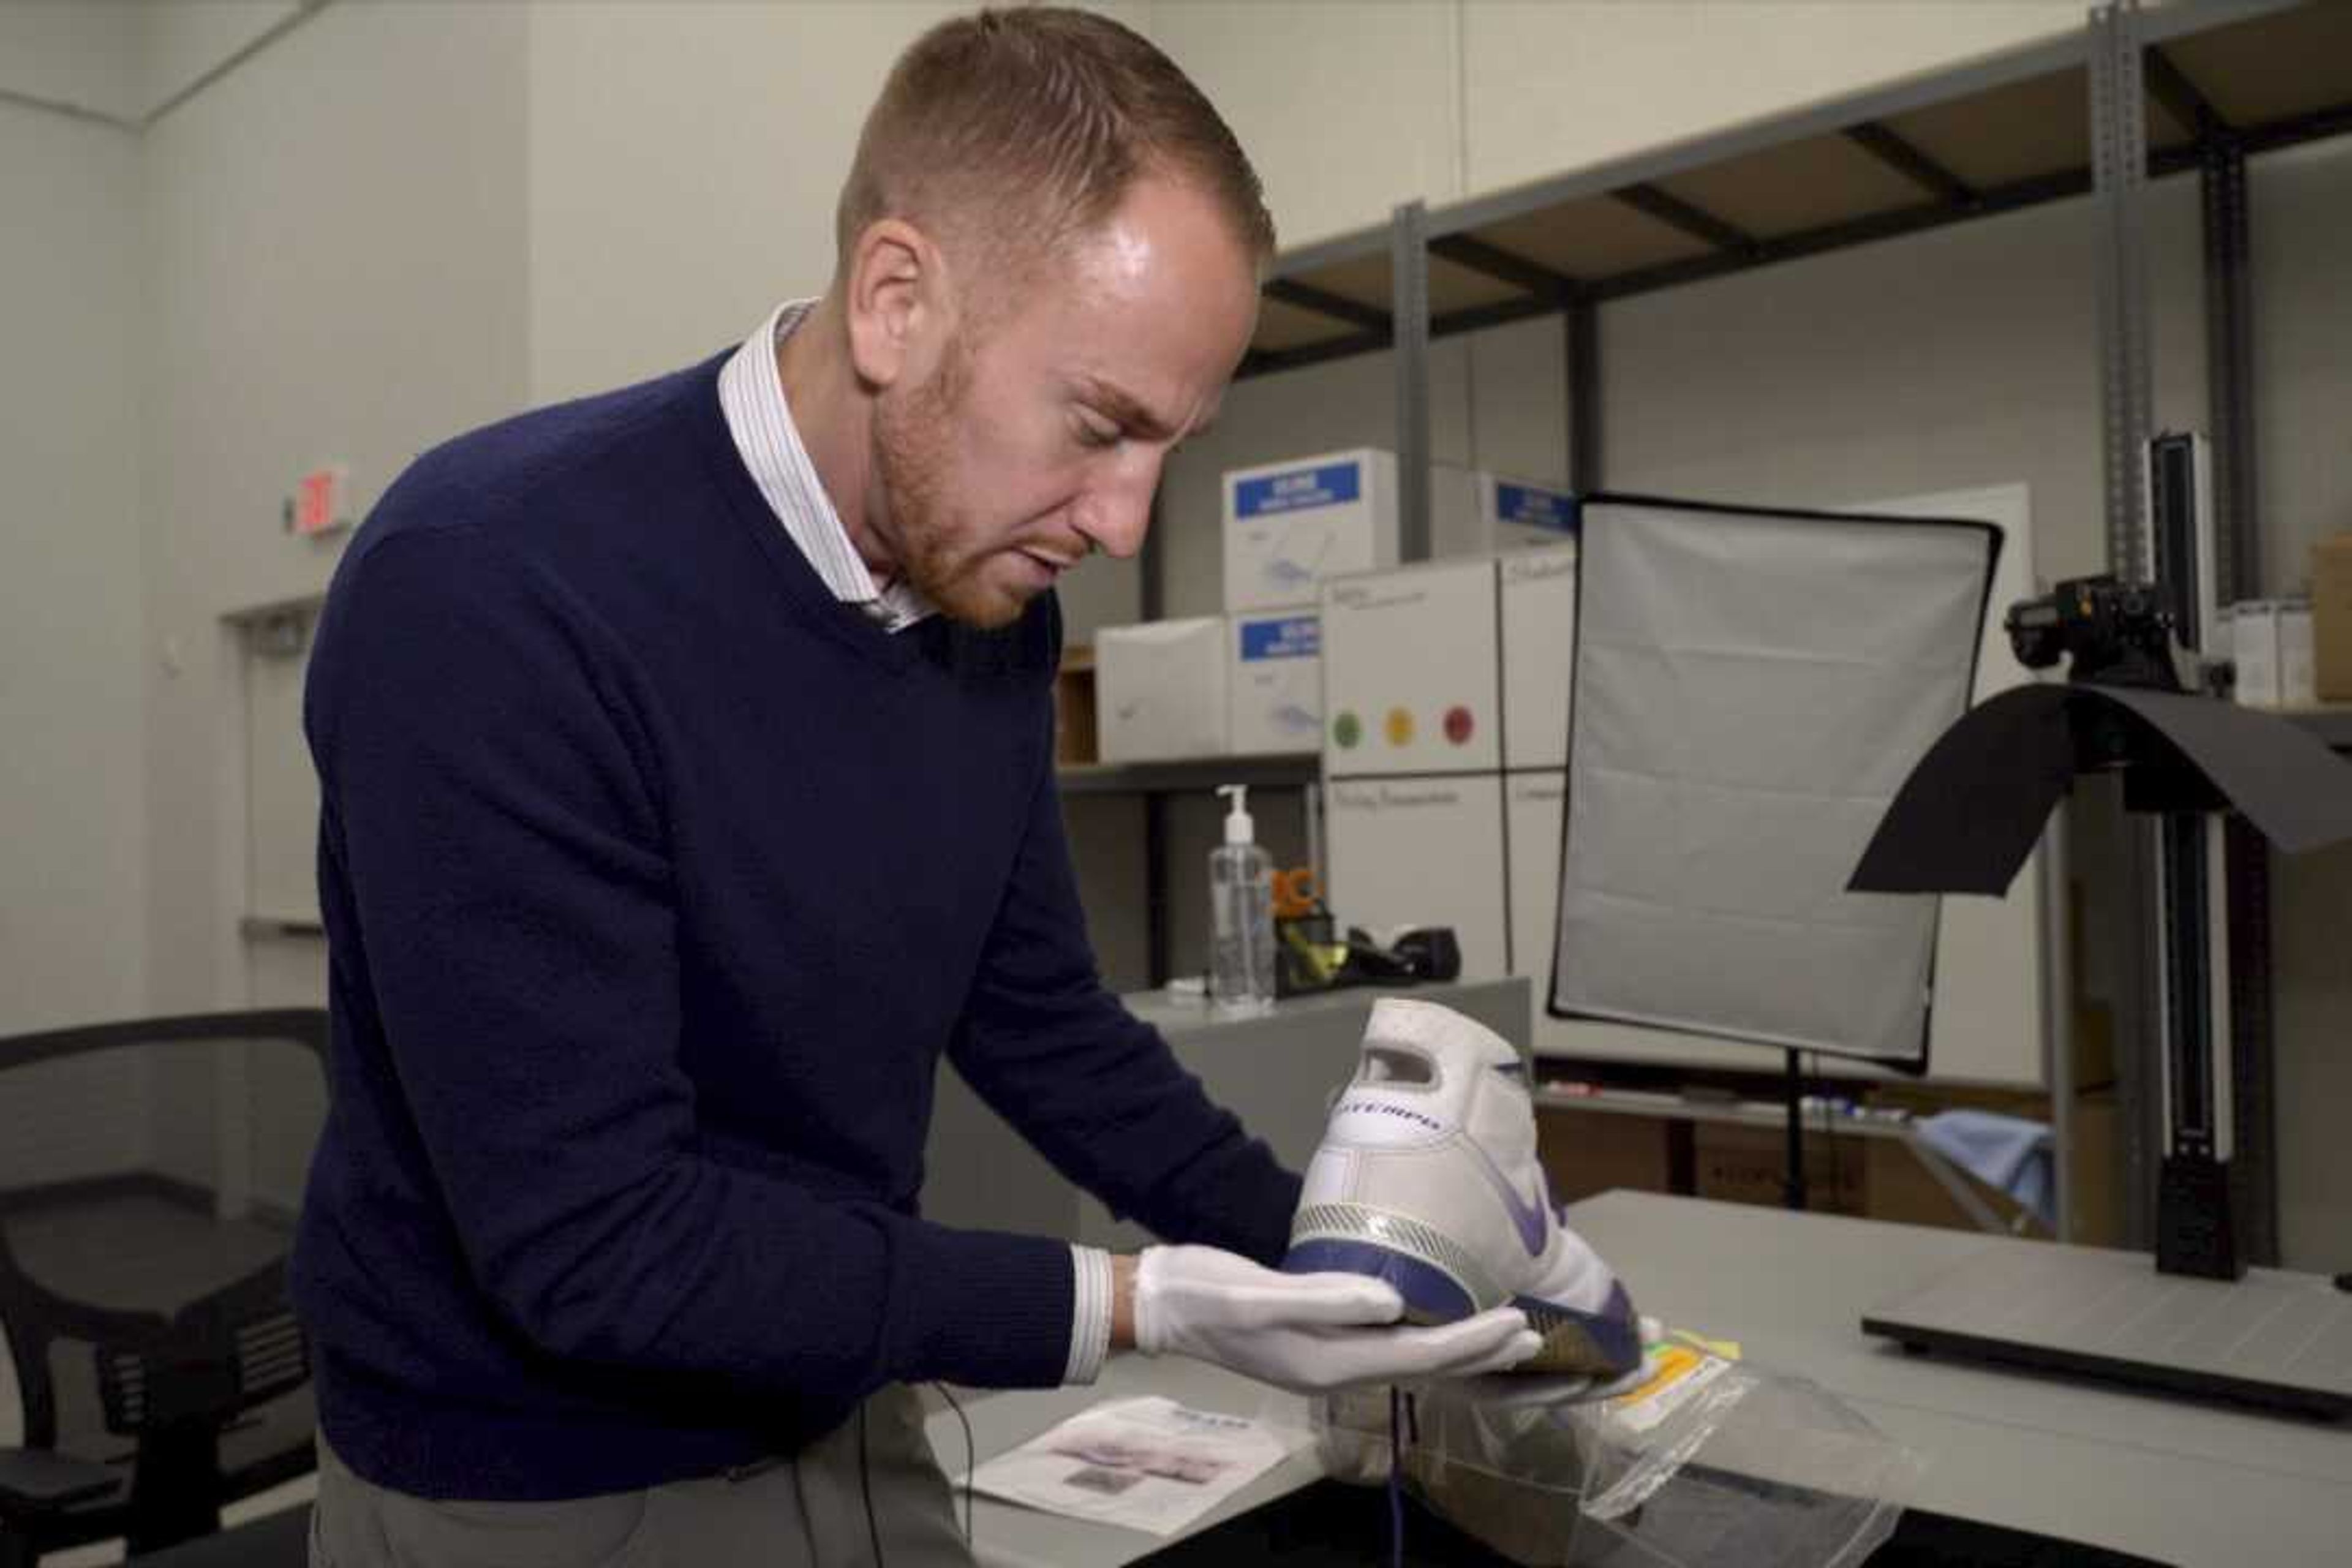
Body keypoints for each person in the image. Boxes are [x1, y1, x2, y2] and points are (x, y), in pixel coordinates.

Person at [294, 10, 1536, 1566]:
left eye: (1174, 444)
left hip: (841, 1397)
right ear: (895, 301)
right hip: (533, 1472)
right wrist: (1131, 1303)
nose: (1128, 520)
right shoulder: (490, 590)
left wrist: (1354, 1255)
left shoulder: (985, 606)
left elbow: (1041, 1022)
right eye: (1101, 425)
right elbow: (596, 1241)